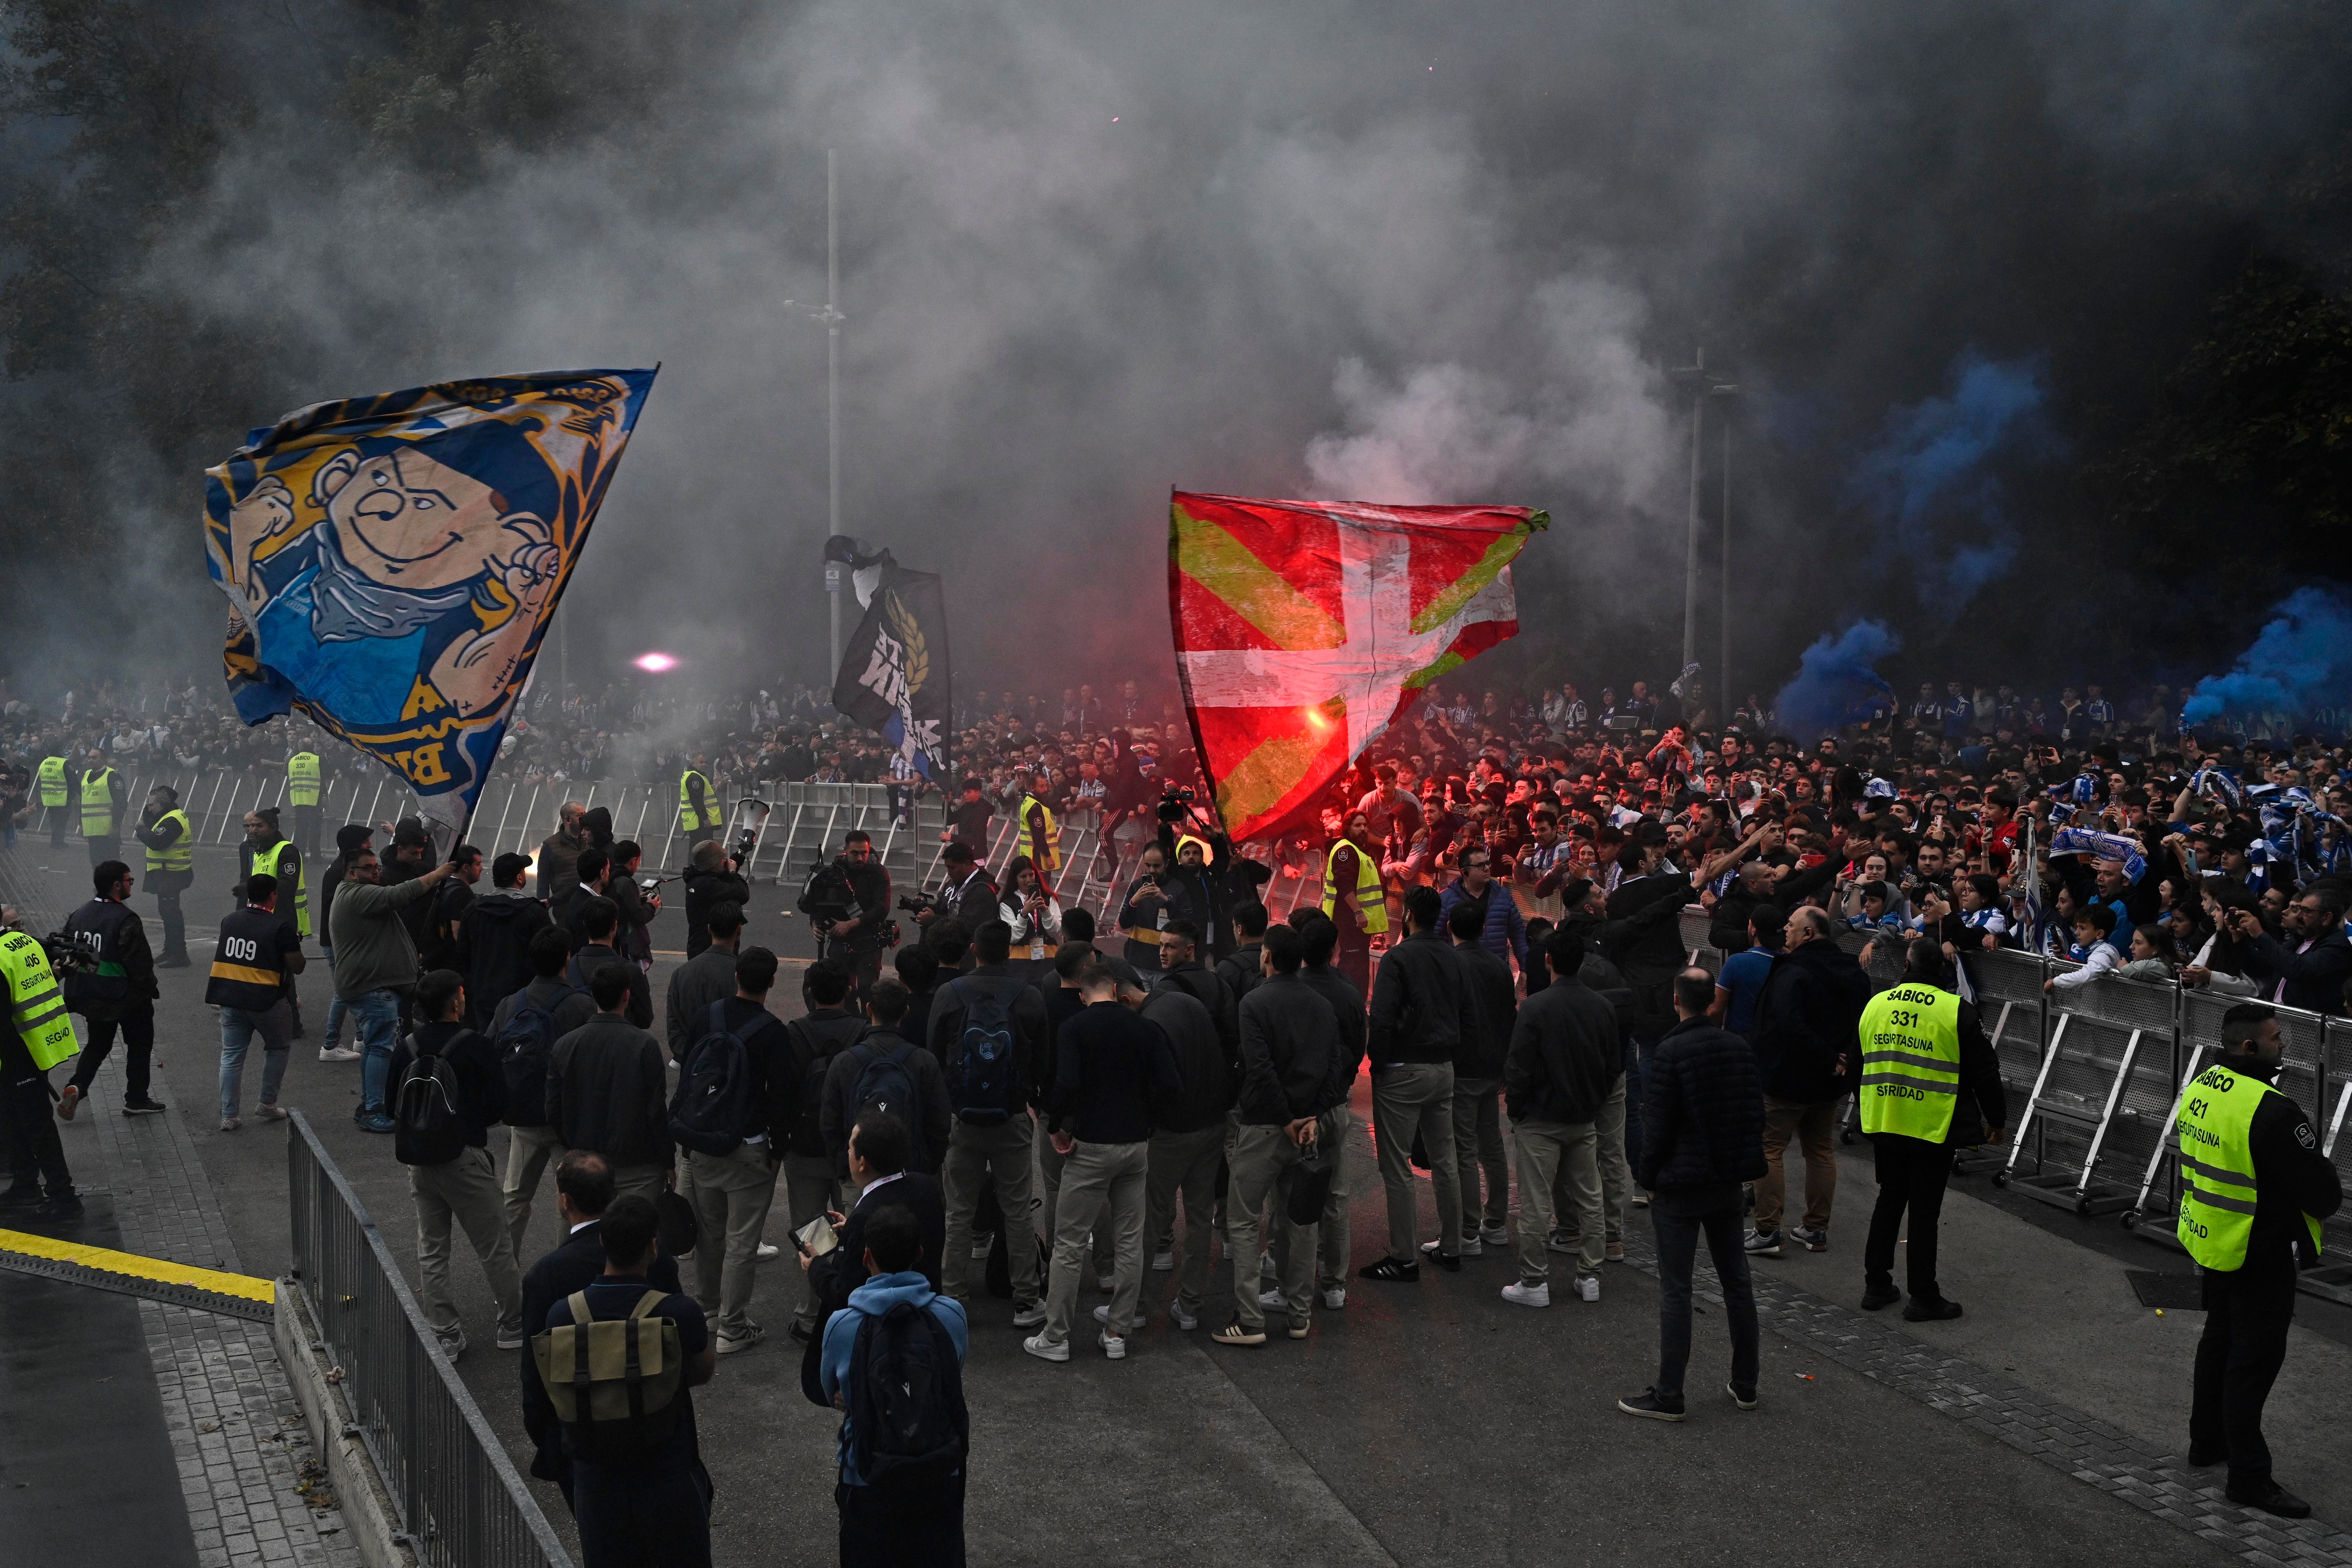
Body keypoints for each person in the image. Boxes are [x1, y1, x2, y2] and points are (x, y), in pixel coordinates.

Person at [2178, 1002, 2342, 1518]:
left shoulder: (2203, 1085)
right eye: (2276, 1038)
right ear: (2250, 1047)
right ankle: (2249, 1477)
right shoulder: (2272, 1110)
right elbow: (2322, 1194)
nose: (2284, 1044)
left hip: (2214, 1238)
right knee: (2254, 1361)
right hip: (2259, 1248)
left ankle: (2207, 1442)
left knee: (2219, 1341)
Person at [1619, 969, 1766, 1421]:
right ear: (1711, 1003)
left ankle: (1670, 1393)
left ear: (1677, 999)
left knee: (1677, 1290)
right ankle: (1746, 1383)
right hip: (1724, 1183)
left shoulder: (1669, 1052)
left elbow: (1657, 1126)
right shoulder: (1739, 1048)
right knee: (1737, 1283)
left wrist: (1647, 1175)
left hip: (1680, 1186)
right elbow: (1753, 1116)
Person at [547, 1193, 716, 1568]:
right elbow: (702, 1371)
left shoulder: (563, 1316)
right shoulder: (677, 1313)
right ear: (654, 1248)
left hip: (596, 1483)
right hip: (668, 1475)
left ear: (603, 1243)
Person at [1026, 960, 1179, 1362]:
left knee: (1070, 1243)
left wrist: (1057, 1126)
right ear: (1114, 988)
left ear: (1082, 994)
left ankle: (1056, 1336)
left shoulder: (1075, 1029)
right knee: (1131, 1239)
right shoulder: (1146, 1028)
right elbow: (1169, 1084)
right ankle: (1117, 1332)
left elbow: (1068, 1083)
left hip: (1090, 1147)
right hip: (1135, 1146)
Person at [518, 1152, 684, 1513]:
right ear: (613, 1192)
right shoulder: (654, 1256)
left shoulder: (547, 1276)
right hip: (658, 1437)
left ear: (565, 1201)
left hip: (582, 1447)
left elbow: (536, 1378)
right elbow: (682, 1345)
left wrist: (552, 1448)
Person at [1857, 939, 2007, 1321]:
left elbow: (1864, 1055)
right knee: (1924, 1211)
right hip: (1931, 1124)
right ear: (1941, 970)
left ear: (1907, 965)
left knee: (1889, 1199)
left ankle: (1876, 1285)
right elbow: (1986, 1073)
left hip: (1886, 1117)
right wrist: (1997, 1120)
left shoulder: (1877, 1004)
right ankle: (1923, 1296)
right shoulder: (1955, 1011)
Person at [816, 1204, 971, 1568]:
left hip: (868, 1474)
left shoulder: (843, 1325)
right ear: (920, 1253)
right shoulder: (951, 1315)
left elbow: (832, 1393)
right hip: (940, 1468)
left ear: (867, 1256)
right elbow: (952, 1371)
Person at [1214, 925, 1345, 1346]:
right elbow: (1335, 1069)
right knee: (1302, 1220)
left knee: (1244, 1218)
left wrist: (1286, 1117)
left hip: (1264, 1126)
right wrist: (1312, 1116)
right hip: (1310, 1128)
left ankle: (1250, 1320)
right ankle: (1298, 1314)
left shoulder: (1254, 1003)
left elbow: (1259, 1067)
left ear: (1266, 956)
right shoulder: (1322, 1005)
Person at [388, 969, 522, 1358]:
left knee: (432, 1247)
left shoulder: (407, 1047)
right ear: (456, 1002)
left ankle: (444, 1332)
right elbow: (500, 1104)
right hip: (465, 1158)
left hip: (420, 1161)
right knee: (494, 1244)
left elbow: (388, 1104)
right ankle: (512, 1323)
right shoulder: (475, 1046)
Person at [925, 920, 1050, 1319]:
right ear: (1008, 949)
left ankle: (955, 1296)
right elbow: (1042, 1058)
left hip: (963, 1119)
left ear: (974, 948)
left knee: (958, 1211)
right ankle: (1026, 1297)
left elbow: (933, 1051)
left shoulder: (950, 993)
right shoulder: (1028, 995)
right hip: (1011, 1116)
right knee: (1016, 1210)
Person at [678, 945, 792, 1356]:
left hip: (705, 1141)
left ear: (737, 977)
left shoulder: (707, 1018)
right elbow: (783, 1098)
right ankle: (732, 1327)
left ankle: (709, 1309)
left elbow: (688, 1074)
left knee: (709, 1235)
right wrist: (778, 1149)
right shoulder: (774, 1031)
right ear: (772, 981)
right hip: (749, 1147)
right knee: (742, 1240)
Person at [1500, 927, 1622, 1307]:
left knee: (1536, 1203)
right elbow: (1611, 1067)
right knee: (1590, 1197)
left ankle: (1534, 1281)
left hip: (1540, 1117)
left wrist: (1516, 1108)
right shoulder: (1602, 1007)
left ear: (1548, 960)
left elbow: (1519, 1067)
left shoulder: (1535, 1007)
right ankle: (1590, 1275)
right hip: (1584, 1117)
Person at [1744, 905, 1869, 1256]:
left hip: (1787, 1077)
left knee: (1769, 1148)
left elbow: (1787, 1022)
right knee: (1820, 1151)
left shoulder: (1793, 970)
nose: (1785, 928)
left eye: (1792, 925)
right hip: (1829, 1081)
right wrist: (1840, 1059)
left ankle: (1767, 1230)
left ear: (1808, 934)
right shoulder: (1852, 971)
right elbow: (1862, 1021)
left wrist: (1827, 1056)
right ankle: (1815, 1229)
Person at [1360, 886, 1467, 1282]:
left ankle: (1404, 1256)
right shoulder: (1452, 957)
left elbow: (1382, 1016)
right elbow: (1464, 1010)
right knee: (1445, 1160)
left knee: (1397, 1165)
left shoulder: (1398, 958)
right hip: (1443, 1066)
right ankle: (1452, 1246)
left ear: (1407, 915)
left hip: (1404, 1068)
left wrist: (1378, 1062)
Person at [330, 845, 459, 1132]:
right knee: (380, 1048)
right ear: (352, 873)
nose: (377, 871)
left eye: (377, 867)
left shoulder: (355, 894)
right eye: (369, 868)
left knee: (376, 1047)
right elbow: (399, 894)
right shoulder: (358, 894)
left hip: (371, 985)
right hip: (374, 987)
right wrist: (438, 874)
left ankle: (369, 1105)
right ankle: (374, 1109)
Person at [493, 925, 597, 1254]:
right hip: (565, 1120)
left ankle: (506, 1280)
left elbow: (491, 1050)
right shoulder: (581, 1005)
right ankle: (564, 1271)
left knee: (514, 1197)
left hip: (523, 1116)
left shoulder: (512, 1003)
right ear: (567, 959)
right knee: (569, 1202)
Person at [1139, 955, 1229, 1331]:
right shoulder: (1190, 1007)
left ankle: (1136, 1306)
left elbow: (1157, 1084)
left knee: (1150, 1217)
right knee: (1199, 1217)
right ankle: (1190, 1304)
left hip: (1171, 1134)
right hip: (1211, 1126)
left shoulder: (1152, 1021)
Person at [781, 961, 868, 1340]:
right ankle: (852, 1307)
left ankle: (810, 1315)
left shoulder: (796, 1033)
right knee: (854, 1229)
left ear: (811, 992)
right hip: (853, 1150)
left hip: (805, 1145)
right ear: (849, 989)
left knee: (812, 1229)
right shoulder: (862, 1033)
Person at [548, 960, 676, 1203]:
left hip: (586, 1165)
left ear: (593, 995)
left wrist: (573, 1146)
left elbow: (554, 1108)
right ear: (627, 996)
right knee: (634, 1235)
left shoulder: (566, 1045)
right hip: (638, 1166)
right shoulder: (644, 1045)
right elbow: (656, 1111)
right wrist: (667, 1161)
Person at [58, 860, 164, 1119]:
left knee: (98, 1044)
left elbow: (66, 951)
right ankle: (136, 1099)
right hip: (126, 997)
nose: (131, 885)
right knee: (139, 1045)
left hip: (91, 994)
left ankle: (78, 1086)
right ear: (117, 885)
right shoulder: (125, 919)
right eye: (129, 881)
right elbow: (139, 964)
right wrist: (150, 989)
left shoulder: (79, 915)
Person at [822, 976, 952, 1182]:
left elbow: (830, 1124)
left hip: (861, 1172)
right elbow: (940, 1124)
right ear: (906, 1011)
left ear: (869, 1010)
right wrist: (928, 1166)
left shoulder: (844, 1061)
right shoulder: (924, 1061)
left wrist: (845, 1168)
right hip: (912, 1174)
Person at [1443, 900, 1516, 1258]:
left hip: (1462, 1065)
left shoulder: (1452, 964)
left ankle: (1468, 1230)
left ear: (1451, 927)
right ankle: (1497, 1222)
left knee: (1464, 1151)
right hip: (1493, 1065)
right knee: (1492, 1144)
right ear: (1484, 928)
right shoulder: (1499, 966)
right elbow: (1508, 1015)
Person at [209, 873, 305, 1131]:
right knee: (278, 1048)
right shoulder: (279, 927)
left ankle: (229, 1115)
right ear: (273, 895)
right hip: (266, 1002)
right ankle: (267, 1103)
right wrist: (294, 944)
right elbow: (297, 967)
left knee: (231, 1056)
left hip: (230, 999)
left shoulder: (230, 921)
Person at [0, 913, 81, 1216]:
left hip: (19, 1053)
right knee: (13, 1119)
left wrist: (15, 1063)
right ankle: (25, 1186)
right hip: (36, 1044)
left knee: (36, 1124)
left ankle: (64, 1197)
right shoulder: (23, 942)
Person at [457, 851, 551, 1030]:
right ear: (519, 877)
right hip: (523, 999)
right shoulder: (534, 912)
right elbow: (546, 957)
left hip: (483, 996)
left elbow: (463, 954)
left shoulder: (474, 909)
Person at [316, 824, 374, 1063]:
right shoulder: (345, 872)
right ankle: (330, 1045)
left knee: (353, 988)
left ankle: (361, 1038)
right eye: (366, 842)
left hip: (336, 940)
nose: (370, 845)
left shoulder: (340, 867)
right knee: (344, 991)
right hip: (339, 941)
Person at [665, 901, 746, 1064]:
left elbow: (674, 1025)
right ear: (739, 931)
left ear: (709, 929)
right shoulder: (742, 976)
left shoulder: (681, 974)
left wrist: (690, 1056)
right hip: (729, 1066)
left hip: (691, 1064)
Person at [1320, 811, 1387, 996]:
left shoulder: (1359, 850)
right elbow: (1343, 883)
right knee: (1353, 968)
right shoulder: (1346, 850)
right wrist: (1358, 912)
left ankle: (1352, 1006)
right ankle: (1349, 1006)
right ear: (1347, 828)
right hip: (1350, 920)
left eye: (1365, 825)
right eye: (1358, 826)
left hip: (1358, 923)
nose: (1363, 829)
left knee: (1357, 965)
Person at [567, 897, 653, 1028]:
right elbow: (645, 1019)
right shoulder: (631, 970)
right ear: (615, 927)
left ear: (585, 924)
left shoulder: (569, 967)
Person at [134, 784, 194, 967]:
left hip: (172, 874)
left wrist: (141, 829)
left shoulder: (172, 820)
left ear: (162, 805)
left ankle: (180, 955)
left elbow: (157, 842)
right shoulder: (166, 816)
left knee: (172, 914)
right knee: (167, 913)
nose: (149, 809)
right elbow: (152, 821)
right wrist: (148, 813)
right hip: (166, 873)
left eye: (152, 805)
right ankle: (170, 950)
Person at [1710, 903, 1785, 1038]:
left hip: (1739, 1044)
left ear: (1754, 930)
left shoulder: (1737, 963)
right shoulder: (1791, 964)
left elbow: (1715, 1011)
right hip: (1776, 1046)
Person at [682, 840, 752, 962]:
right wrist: (733, 872)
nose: (725, 861)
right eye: (722, 859)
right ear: (714, 865)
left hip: (700, 947)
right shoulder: (706, 885)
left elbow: (720, 877)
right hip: (711, 951)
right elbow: (742, 894)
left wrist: (739, 855)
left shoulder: (699, 878)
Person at [79, 749, 120, 867]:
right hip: (92, 829)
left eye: (94, 758)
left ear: (103, 759)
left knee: (111, 862)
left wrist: (116, 825)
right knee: (96, 862)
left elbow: (120, 803)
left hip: (107, 829)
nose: (90, 760)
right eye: (89, 757)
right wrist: (81, 824)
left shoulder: (112, 775)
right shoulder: (86, 775)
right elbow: (83, 802)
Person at [540, 801, 588, 894]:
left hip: (588, 903)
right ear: (568, 820)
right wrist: (541, 907)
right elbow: (543, 882)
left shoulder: (590, 840)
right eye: (580, 816)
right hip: (563, 905)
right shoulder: (550, 846)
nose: (585, 819)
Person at [286, 744, 322, 855]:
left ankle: (299, 854)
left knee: (300, 827)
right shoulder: (317, 759)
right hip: (314, 798)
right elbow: (328, 772)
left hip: (298, 798)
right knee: (314, 827)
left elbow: (285, 773)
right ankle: (315, 855)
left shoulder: (293, 760)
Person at [678, 754, 719, 842]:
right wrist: (705, 819)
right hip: (699, 821)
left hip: (695, 820)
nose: (704, 765)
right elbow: (697, 801)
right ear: (693, 763)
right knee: (703, 850)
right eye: (701, 762)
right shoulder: (695, 777)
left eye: (705, 762)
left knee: (697, 850)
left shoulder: (691, 774)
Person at [35, 749, 68, 850]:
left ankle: (56, 841)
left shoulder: (44, 763)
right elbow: (72, 780)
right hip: (62, 797)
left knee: (54, 821)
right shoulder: (63, 763)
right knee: (61, 821)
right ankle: (57, 842)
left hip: (49, 797)